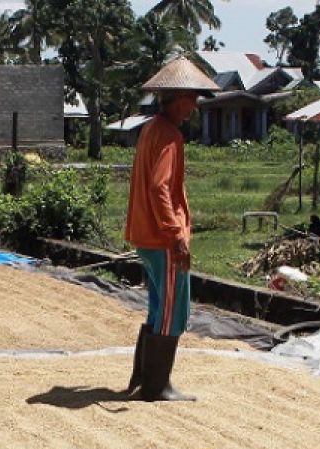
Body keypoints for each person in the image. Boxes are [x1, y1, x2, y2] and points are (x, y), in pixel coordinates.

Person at [123, 58, 220, 402]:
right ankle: (156, 386)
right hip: (162, 238)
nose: (194, 105)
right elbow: (159, 187)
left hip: (145, 236)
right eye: (191, 98)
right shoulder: (168, 135)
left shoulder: (150, 129)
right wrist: (176, 234)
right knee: (171, 310)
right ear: (176, 97)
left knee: (156, 306)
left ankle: (141, 378)